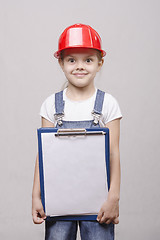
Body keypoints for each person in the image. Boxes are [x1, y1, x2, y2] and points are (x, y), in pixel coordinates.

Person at [32, 23, 122, 240]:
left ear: (100, 63)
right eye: (72, 60)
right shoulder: (51, 105)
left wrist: (113, 198)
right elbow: (43, 155)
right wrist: (36, 195)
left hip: (98, 203)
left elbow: (114, 154)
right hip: (58, 201)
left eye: (88, 60)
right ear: (61, 63)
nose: (79, 66)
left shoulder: (108, 104)